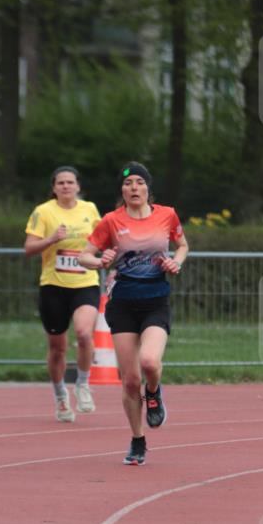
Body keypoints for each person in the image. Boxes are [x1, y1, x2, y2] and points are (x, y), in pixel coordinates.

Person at [78, 162, 189, 465]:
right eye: (128, 184)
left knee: (150, 362)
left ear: (148, 189)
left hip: (155, 299)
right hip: (123, 302)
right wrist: (101, 260)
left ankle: (153, 394)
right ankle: (138, 440)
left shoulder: (167, 215)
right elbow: (84, 256)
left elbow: (182, 245)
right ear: (122, 191)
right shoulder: (111, 221)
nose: (134, 188)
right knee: (129, 380)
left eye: (139, 182)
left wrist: (175, 262)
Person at [24, 166, 101, 422]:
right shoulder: (43, 212)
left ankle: (82, 383)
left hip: (85, 283)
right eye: (61, 183)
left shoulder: (89, 209)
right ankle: (60, 395)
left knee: (83, 333)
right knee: (58, 348)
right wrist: (51, 240)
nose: (66, 186)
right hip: (53, 287)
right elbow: (29, 248)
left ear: (78, 186)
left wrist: (109, 253)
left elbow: (103, 238)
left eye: (70, 182)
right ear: (54, 187)